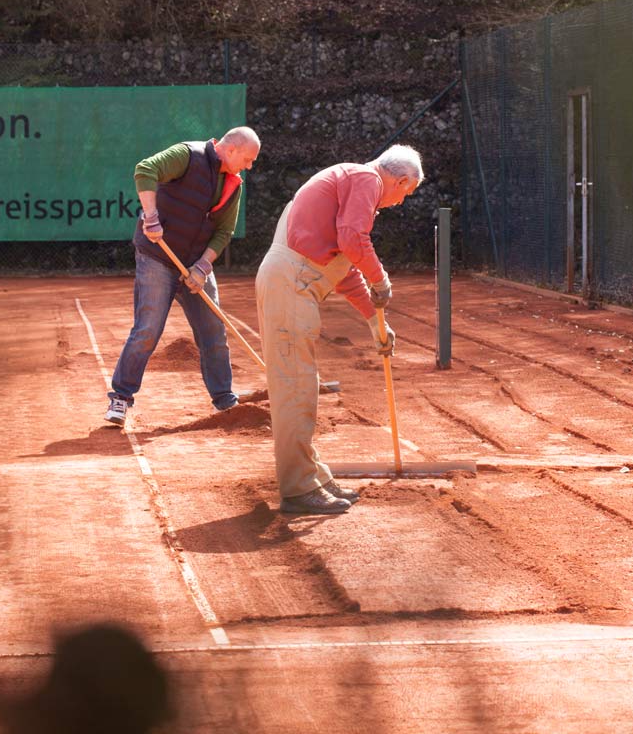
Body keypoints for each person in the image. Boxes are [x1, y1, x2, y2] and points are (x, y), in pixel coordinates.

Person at [254, 145, 423, 514]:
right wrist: (382, 280)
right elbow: (354, 241)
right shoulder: (365, 179)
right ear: (401, 180)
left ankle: (312, 476)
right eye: (405, 193)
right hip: (291, 284)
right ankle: (298, 489)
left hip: (293, 281)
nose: (399, 202)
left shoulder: (347, 181)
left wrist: (376, 321)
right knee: (296, 388)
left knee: (302, 386)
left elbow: (344, 268)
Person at [104, 126, 261, 429]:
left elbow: (224, 231)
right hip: (157, 258)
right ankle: (121, 397)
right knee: (148, 329)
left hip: (194, 265)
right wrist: (150, 216)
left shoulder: (234, 185)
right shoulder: (188, 155)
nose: (250, 166)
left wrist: (202, 266)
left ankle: (225, 400)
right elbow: (145, 170)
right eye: (248, 158)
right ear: (231, 149)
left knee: (213, 331)